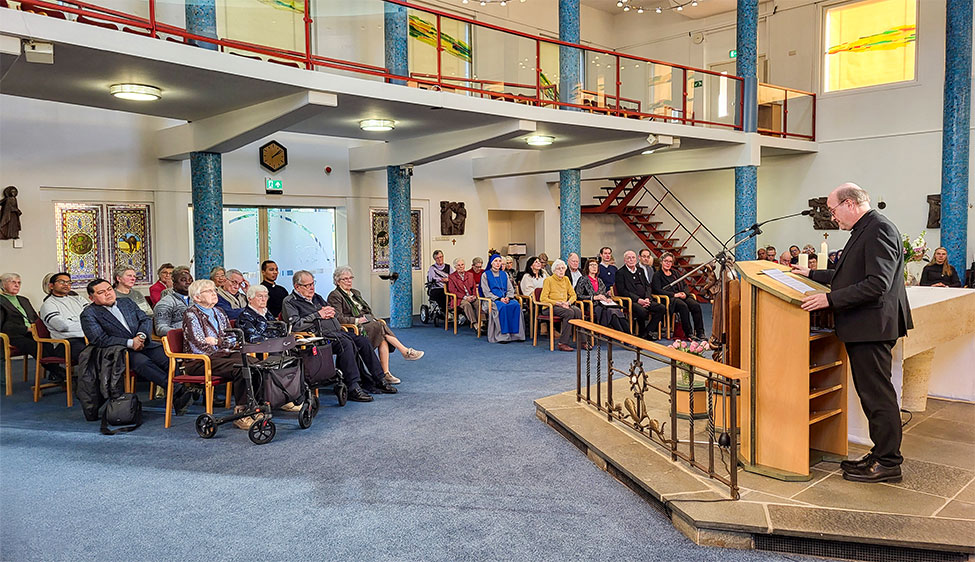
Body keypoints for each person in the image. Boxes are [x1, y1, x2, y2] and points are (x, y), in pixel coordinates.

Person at [792, 182, 913, 484]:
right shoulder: (866, 229)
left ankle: (888, 462)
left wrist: (829, 299)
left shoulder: (877, 229)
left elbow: (876, 284)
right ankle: (881, 453)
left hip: (870, 327)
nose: (833, 218)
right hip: (866, 326)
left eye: (833, 211)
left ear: (849, 203)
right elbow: (851, 275)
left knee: (878, 396)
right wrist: (813, 275)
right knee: (871, 395)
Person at [80, 278, 193, 414]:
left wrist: (141, 336)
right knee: (143, 362)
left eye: (109, 289)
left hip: (143, 342)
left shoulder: (126, 302)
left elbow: (145, 319)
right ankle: (177, 389)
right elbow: (99, 339)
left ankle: (177, 397)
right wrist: (130, 343)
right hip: (119, 351)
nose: (108, 294)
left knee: (168, 358)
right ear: (92, 298)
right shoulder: (89, 314)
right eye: (101, 292)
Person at [282, 270, 396, 402]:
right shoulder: (290, 302)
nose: (312, 288)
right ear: (297, 287)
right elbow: (295, 325)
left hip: (336, 331)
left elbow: (333, 314)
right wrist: (318, 315)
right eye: (307, 285)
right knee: (346, 344)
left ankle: (379, 378)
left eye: (313, 284)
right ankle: (353, 386)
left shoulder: (316, 297)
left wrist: (331, 313)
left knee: (362, 341)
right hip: (317, 337)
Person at [182, 279, 264, 429]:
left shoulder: (219, 311)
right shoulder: (191, 314)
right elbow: (199, 344)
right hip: (201, 361)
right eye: (209, 291)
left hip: (223, 354)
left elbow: (233, 338)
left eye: (214, 290)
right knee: (241, 366)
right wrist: (221, 343)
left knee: (255, 363)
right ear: (197, 297)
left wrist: (217, 341)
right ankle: (241, 412)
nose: (214, 294)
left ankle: (255, 406)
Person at [327, 265, 423, 385]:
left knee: (380, 331)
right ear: (337, 281)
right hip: (353, 328)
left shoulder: (355, 293)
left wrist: (368, 318)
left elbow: (367, 310)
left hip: (366, 323)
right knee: (379, 327)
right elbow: (338, 318)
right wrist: (357, 321)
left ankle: (386, 373)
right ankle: (404, 351)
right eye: (345, 279)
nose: (349, 281)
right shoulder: (335, 295)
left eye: (350, 278)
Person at [1, 272, 64, 380]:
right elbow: (3, 326)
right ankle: (58, 371)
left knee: (48, 341)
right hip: (14, 335)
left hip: (33, 332)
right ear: (3, 284)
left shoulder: (23, 300)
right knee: (34, 345)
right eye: (13, 282)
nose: (17, 285)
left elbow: (35, 318)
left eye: (19, 283)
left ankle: (55, 373)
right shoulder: (1, 301)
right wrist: (26, 329)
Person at [38, 272, 88, 366]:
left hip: (87, 338)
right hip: (65, 343)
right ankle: (89, 380)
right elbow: (62, 326)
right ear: (51, 286)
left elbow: (94, 317)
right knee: (87, 354)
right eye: (62, 282)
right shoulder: (48, 305)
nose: (66, 285)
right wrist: (87, 325)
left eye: (69, 282)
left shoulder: (78, 299)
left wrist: (76, 324)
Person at [652, 252, 705, 340]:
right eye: (666, 261)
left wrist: (685, 293)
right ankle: (689, 333)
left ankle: (700, 332)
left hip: (681, 296)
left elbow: (684, 285)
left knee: (695, 305)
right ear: (661, 261)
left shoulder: (675, 273)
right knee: (683, 306)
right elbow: (657, 290)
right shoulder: (657, 275)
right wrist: (674, 294)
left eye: (670, 261)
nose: (668, 263)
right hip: (669, 299)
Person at [614, 250, 666, 340]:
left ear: (636, 259)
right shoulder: (620, 273)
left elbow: (647, 286)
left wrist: (647, 298)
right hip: (630, 301)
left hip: (644, 299)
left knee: (661, 308)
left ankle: (646, 332)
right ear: (625, 260)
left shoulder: (640, 270)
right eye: (628, 258)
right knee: (642, 311)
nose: (631, 260)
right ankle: (642, 332)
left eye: (633, 257)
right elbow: (622, 291)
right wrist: (638, 300)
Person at [538, 260, 583, 352]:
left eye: (563, 268)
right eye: (559, 269)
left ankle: (582, 341)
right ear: (554, 270)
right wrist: (558, 303)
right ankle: (562, 343)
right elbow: (543, 298)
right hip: (550, 307)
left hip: (564, 305)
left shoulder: (566, 279)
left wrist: (568, 303)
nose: (561, 270)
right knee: (569, 312)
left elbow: (573, 295)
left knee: (578, 311)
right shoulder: (548, 280)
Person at [479, 254, 525, 343]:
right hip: (492, 300)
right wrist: (499, 299)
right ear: (491, 263)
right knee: (502, 307)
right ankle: (503, 336)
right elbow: (486, 292)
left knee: (516, 305)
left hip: (506, 298)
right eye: (495, 261)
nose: (498, 263)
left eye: (499, 261)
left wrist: (508, 297)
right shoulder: (485, 275)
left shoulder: (504, 274)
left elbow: (510, 288)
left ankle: (516, 335)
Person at [575, 258, 627, 332]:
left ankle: (628, 335)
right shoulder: (583, 279)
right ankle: (623, 335)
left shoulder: (599, 280)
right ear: (587, 267)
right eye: (591, 265)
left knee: (616, 310)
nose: (594, 267)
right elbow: (578, 295)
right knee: (610, 311)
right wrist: (594, 297)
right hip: (591, 305)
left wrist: (608, 298)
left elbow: (605, 293)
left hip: (604, 304)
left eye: (595, 265)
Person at [153, 266, 193, 336]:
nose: (188, 283)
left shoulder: (197, 300)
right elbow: (160, 329)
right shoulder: (165, 303)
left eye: (190, 280)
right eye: (183, 280)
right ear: (174, 284)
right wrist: (185, 332)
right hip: (179, 340)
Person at [447, 257, 478, 327]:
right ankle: (474, 323)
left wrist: (474, 295)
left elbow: (474, 287)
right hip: (459, 299)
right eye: (459, 265)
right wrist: (465, 297)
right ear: (455, 267)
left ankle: (480, 322)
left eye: (462, 264)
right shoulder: (452, 277)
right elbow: (452, 291)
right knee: (467, 304)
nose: (461, 267)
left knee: (478, 303)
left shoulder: (470, 275)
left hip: (470, 297)